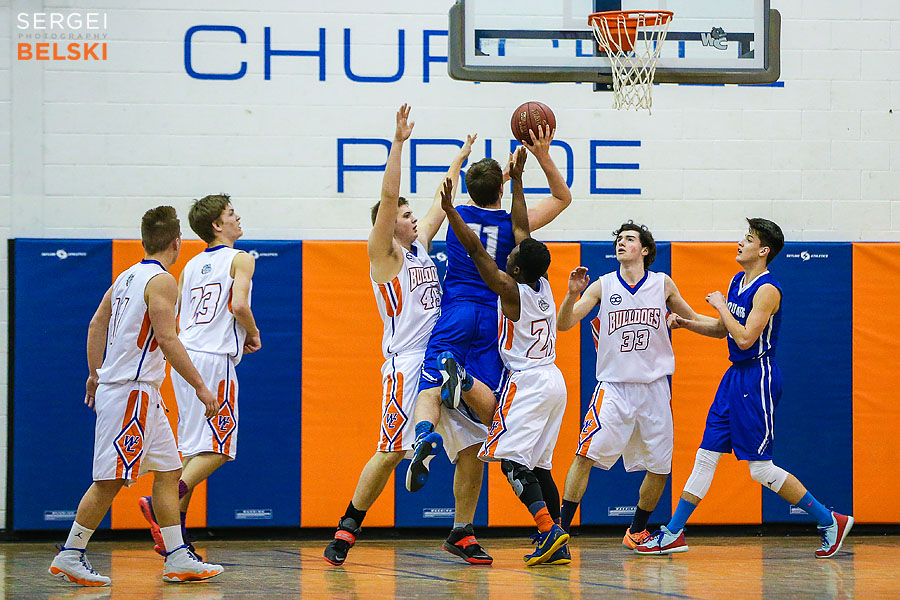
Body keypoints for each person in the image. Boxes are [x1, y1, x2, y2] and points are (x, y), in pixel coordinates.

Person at [635, 218, 853, 557]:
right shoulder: (738, 280)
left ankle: (829, 520)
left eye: (748, 239)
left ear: (763, 250)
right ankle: (674, 532)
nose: (741, 242)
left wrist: (720, 305)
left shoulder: (768, 290)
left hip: (758, 378)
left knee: (760, 468)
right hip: (735, 378)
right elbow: (724, 330)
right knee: (705, 456)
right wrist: (686, 323)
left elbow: (747, 337)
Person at [406, 125, 572, 565]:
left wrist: (454, 190)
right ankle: (547, 532)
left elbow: (477, 250)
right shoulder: (524, 247)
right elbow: (551, 205)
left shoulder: (456, 213)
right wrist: (524, 169)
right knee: (496, 424)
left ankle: (424, 432)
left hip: (460, 306)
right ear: (499, 186)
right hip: (499, 321)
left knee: (431, 378)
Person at [324, 105, 476, 565]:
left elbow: (438, 201)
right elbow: (388, 197)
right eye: (403, 215)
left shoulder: (421, 250)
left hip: (442, 358)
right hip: (406, 363)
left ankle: (462, 531)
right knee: (389, 452)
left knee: (470, 448)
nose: (412, 218)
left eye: (411, 215)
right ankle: (348, 527)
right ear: (389, 223)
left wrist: (462, 157)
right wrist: (398, 144)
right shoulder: (384, 258)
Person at [48, 206, 224, 586]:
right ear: (177, 243)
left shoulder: (126, 276)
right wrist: (200, 385)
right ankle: (71, 553)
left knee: (169, 471)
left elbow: (97, 322)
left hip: (140, 392)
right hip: (131, 391)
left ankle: (177, 556)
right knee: (110, 480)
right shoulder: (162, 281)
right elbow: (167, 338)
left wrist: (94, 372)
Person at [556, 222, 702, 551]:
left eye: (629, 239)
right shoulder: (603, 285)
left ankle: (636, 530)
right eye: (619, 239)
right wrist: (571, 294)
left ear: (645, 249)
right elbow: (564, 323)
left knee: (661, 467)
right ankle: (559, 532)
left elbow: (692, 318)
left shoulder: (662, 284)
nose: (621, 243)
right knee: (585, 456)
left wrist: (724, 323)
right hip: (614, 388)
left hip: (654, 389)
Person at [137, 194, 261, 558]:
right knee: (221, 448)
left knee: (193, 450)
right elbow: (238, 305)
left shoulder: (189, 265)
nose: (237, 216)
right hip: (213, 358)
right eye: (230, 213)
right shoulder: (242, 258)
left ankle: (175, 539)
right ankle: (162, 499)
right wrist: (252, 333)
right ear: (217, 226)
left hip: (185, 359)